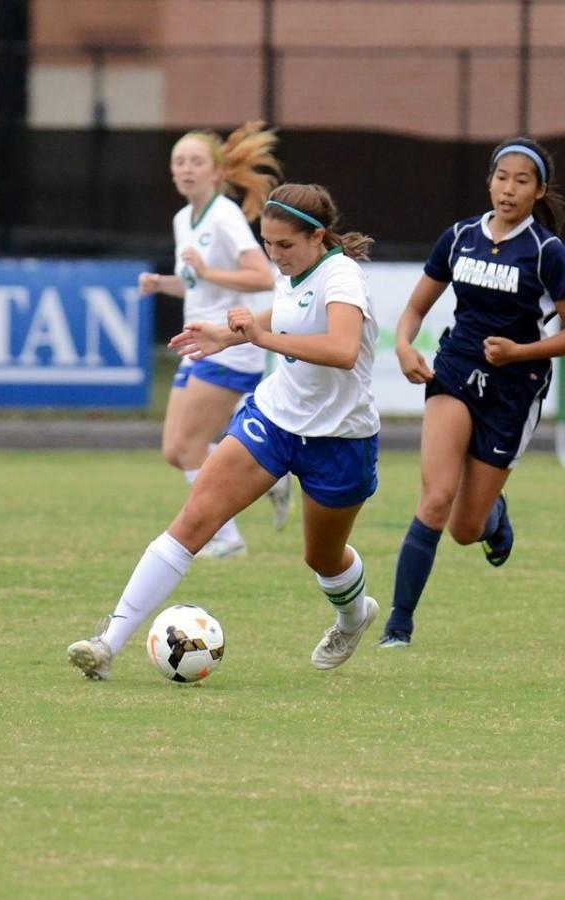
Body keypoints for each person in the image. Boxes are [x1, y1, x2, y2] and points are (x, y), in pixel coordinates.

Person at [68, 183, 381, 681]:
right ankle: (107, 643)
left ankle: (352, 615)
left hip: (341, 440)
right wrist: (228, 331)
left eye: (284, 245)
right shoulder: (294, 270)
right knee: (193, 522)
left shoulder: (341, 276)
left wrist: (259, 337)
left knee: (321, 555)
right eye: (267, 243)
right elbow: (285, 309)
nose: (274, 255)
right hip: (274, 420)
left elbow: (343, 350)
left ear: (317, 236)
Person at [378, 137, 565, 648]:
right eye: (502, 177)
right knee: (435, 499)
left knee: (464, 528)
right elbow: (414, 310)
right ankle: (397, 628)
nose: (509, 189)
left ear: (539, 190)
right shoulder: (458, 237)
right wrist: (404, 346)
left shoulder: (547, 252)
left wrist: (518, 352)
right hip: (454, 374)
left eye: (522, 181)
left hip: (514, 392)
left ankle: (493, 516)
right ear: (489, 180)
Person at [138, 121, 291, 558]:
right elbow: (196, 283)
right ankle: (269, 474)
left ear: (217, 174)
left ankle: (226, 539)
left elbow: (261, 275)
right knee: (175, 450)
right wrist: (163, 283)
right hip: (197, 341)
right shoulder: (183, 219)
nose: (186, 169)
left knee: (189, 446)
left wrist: (205, 272)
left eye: (196, 162)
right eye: (179, 162)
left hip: (227, 342)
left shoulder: (224, 215)